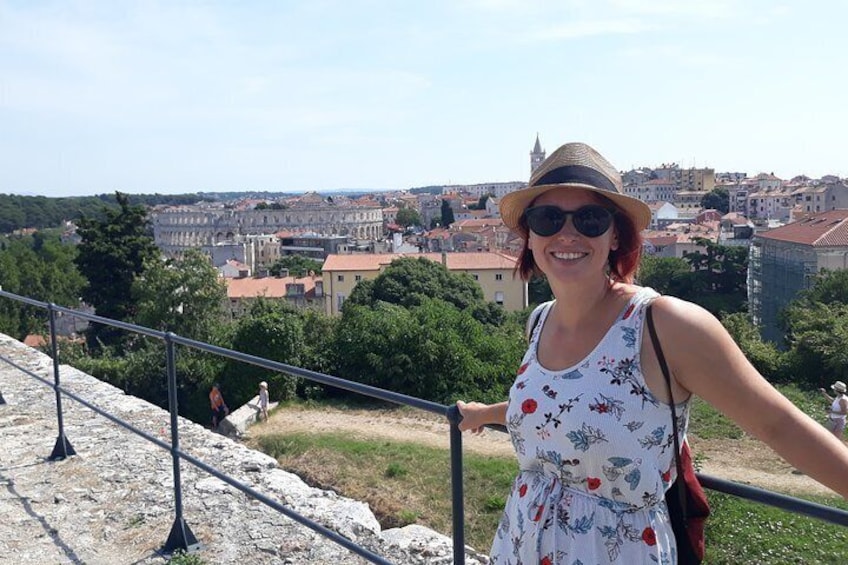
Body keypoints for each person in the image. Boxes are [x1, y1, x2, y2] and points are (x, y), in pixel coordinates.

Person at [455, 142, 848, 564]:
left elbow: (779, 425)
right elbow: (558, 406)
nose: (566, 234)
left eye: (589, 219)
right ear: (529, 235)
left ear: (616, 235)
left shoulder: (663, 326)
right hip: (521, 543)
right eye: (547, 218)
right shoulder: (540, 321)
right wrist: (486, 413)